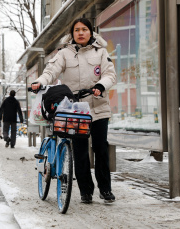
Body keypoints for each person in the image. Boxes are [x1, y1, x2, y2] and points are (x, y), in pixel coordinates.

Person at [31, 18, 117, 204]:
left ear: (91, 32)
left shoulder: (101, 52)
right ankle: (86, 191)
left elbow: (110, 74)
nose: (80, 33)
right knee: (80, 151)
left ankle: (105, 189)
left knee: (101, 148)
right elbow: (51, 71)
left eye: (84, 29)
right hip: (75, 110)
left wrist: (101, 86)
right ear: (72, 34)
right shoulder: (64, 53)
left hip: (98, 107)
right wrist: (41, 82)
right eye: (76, 30)